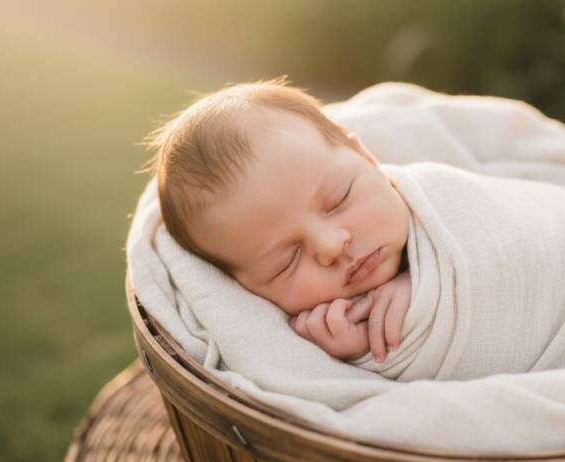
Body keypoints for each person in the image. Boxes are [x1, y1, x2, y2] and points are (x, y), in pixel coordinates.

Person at [144, 77, 411, 364]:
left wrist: (422, 283)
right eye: (287, 261)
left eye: (339, 199)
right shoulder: (313, 337)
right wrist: (360, 353)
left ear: (367, 158)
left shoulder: (433, 198)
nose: (331, 245)